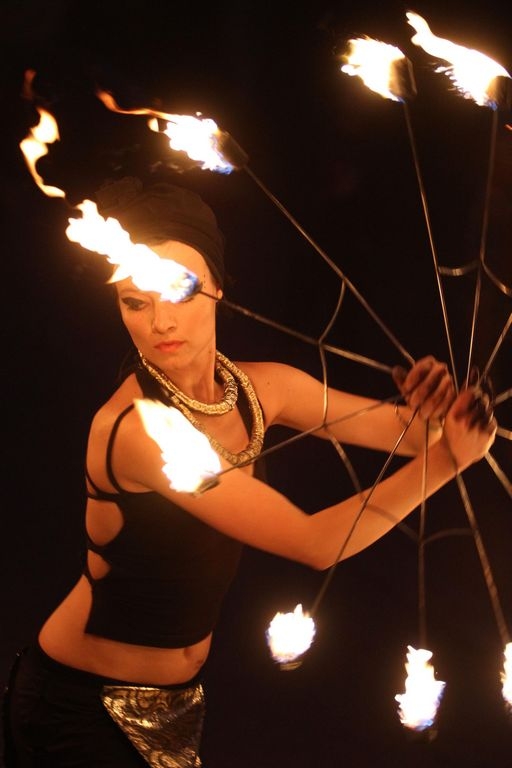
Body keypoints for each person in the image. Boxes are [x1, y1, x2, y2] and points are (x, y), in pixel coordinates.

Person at [4, 175, 496, 768]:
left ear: (217, 286)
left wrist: (443, 412)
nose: (161, 322)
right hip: (78, 708)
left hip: (180, 702)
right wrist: (449, 459)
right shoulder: (138, 432)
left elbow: (412, 436)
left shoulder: (262, 390)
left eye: (179, 290)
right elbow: (315, 543)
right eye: (135, 301)